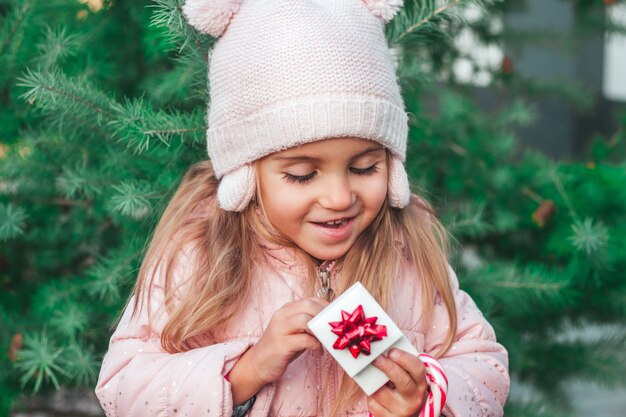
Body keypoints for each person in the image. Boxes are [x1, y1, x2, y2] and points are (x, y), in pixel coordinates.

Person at [95, 1, 510, 416]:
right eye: (301, 175)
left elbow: (485, 368)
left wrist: (425, 398)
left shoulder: (406, 255)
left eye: (365, 167)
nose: (339, 198)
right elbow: (124, 386)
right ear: (247, 174)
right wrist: (246, 372)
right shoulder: (201, 253)